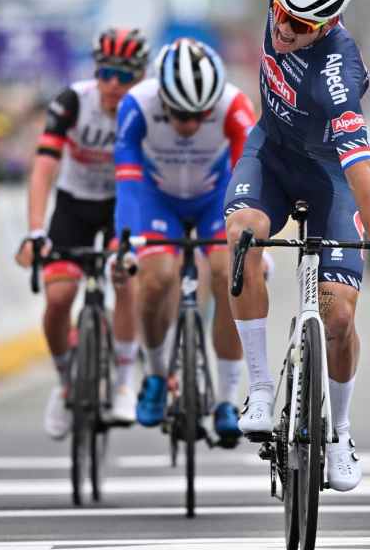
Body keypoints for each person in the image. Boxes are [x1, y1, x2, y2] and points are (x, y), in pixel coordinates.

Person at [194, 0, 370, 492]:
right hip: (270, 156)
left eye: (301, 25)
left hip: (329, 180)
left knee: (337, 319)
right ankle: (260, 387)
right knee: (241, 237)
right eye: (280, 13)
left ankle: (340, 434)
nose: (283, 28)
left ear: (330, 22)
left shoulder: (339, 72)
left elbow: (362, 172)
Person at [114, 38, 256, 442]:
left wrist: (253, 240)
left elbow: (250, 177)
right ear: (163, 98)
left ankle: (227, 397)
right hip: (156, 197)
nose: (190, 124)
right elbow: (125, 178)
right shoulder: (137, 104)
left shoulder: (234, 105)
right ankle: (157, 374)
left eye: (200, 114)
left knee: (231, 274)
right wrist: (126, 241)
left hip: (217, 197)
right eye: (180, 113)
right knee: (156, 277)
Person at [14, 28, 148, 439]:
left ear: (140, 76)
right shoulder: (73, 100)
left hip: (121, 204)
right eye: (105, 72)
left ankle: (125, 380)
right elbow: (43, 167)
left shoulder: (146, 107)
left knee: (123, 278)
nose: (111, 84)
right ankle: (66, 380)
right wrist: (36, 230)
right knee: (58, 298)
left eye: (123, 75)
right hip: (73, 204)